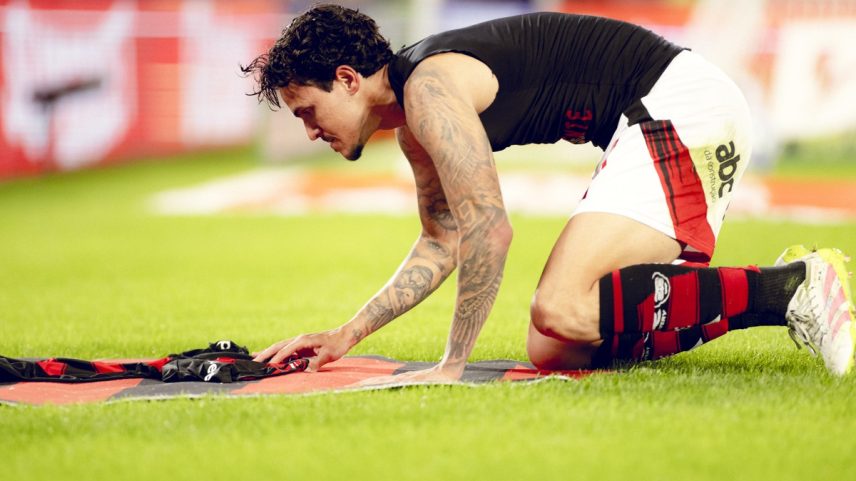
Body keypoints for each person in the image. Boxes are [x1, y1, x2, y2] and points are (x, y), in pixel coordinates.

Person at [244, 4, 855, 381]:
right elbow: (442, 240)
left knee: (560, 306)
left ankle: (791, 289)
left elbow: (491, 229)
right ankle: (772, 293)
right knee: (558, 345)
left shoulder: (429, 93)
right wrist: (344, 335)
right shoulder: (415, 125)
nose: (310, 129)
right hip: (656, 115)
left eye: (308, 109)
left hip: (677, 106)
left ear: (347, 79)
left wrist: (451, 363)